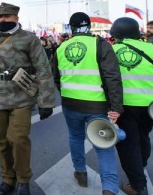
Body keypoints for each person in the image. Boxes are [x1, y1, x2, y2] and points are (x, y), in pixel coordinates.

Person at [0, 2, 55, 195]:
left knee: (18, 139)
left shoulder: (28, 39)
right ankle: (7, 179)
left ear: (16, 19)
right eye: (0, 17)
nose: (3, 20)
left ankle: (23, 180)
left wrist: (46, 101)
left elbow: (43, 69)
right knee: (1, 141)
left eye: (7, 17)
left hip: (21, 96)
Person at [51, 12, 123, 195]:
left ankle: (81, 174)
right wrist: (116, 107)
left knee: (76, 137)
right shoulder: (101, 45)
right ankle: (109, 187)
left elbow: (56, 78)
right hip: (97, 106)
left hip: (70, 104)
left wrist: (67, 94)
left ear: (71, 27)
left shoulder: (61, 48)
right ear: (89, 26)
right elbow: (112, 78)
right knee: (103, 145)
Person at [110, 17, 153, 195]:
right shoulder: (151, 48)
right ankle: (140, 166)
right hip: (150, 107)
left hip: (124, 107)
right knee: (143, 138)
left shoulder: (110, 51)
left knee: (129, 145)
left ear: (117, 34)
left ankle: (137, 186)